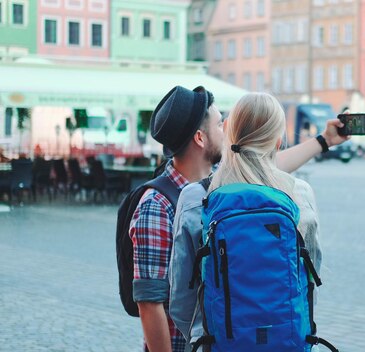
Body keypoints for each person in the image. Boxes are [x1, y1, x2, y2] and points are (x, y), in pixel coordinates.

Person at [130, 86, 347, 352]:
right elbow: (309, 281)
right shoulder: (299, 193)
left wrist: (207, 335)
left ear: (231, 136)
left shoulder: (196, 197)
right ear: (278, 142)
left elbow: (181, 301)